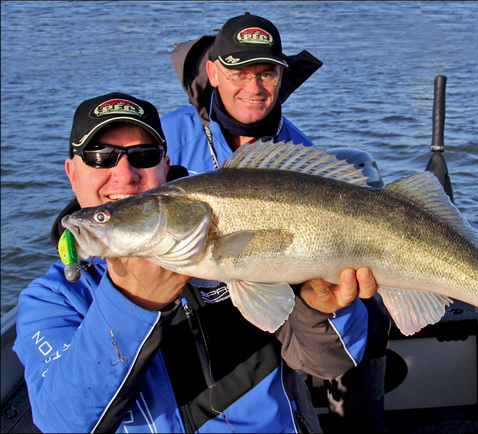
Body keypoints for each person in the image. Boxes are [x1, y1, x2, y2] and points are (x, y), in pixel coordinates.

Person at [13, 92, 378, 433]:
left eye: (144, 156)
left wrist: (317, 312)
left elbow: (329, 365)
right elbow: (64, 422)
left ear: (165, 166)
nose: (124, 174)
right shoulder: (51, 299)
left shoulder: (219, 244)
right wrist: (131, 303)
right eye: (99, 157)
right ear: (71, 171)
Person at [161, 12, 391, 432]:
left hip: (270, 315)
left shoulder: (299, 151)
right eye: (239, 72)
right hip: (180, 314)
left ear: (281, 77)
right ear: (213, 72)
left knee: (368, 320)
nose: (254, 87)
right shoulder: (163, 137)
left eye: (266, 73)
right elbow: (115, 193)